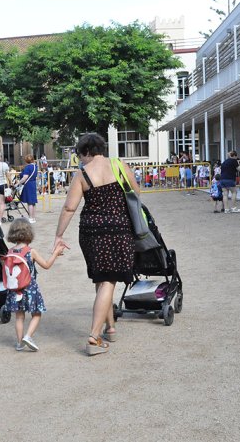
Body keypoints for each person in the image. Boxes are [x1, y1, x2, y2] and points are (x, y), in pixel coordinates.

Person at [54, 133, 140, 356]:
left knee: (103, 278)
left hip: (91, 231)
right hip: (119, 228)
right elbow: (136, 193)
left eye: (80, 155)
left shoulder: (82, 174)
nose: (81, 160)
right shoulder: (119, 165)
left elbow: (69, 208)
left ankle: (110, 328)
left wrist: (58, 235)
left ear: (86, 152)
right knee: (108, 279)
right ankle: (94, 336)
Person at [4, 218, 64, 352]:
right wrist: (55, 253)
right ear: (29, 233)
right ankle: (28, 336)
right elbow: (46, 265)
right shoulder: (31, 251)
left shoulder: (9, 252)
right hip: (29, 288)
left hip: (15, 289)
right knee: (36, 314)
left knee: (19, 316)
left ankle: (19, 343)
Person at [17, 154, 39, 223]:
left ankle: (30, 218)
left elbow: (25, 177)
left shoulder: (27, 167)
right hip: (33, 184)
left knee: (29, 202)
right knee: (33, 202)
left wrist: (18, 183)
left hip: (28, 184)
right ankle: (33, 217)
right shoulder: (35, 166)